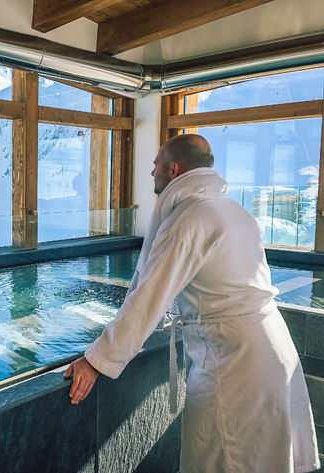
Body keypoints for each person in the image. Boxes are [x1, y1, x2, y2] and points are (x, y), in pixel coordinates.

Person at [64, 134, 320, 473]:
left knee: (222, 458)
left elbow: (148, 299)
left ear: (173, 169)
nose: (151, 171)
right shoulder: (234, 211)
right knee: (259, 458)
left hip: (234, 361)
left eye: (155, 164)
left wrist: (97, 360)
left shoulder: (190, 218)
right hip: (268, 347)